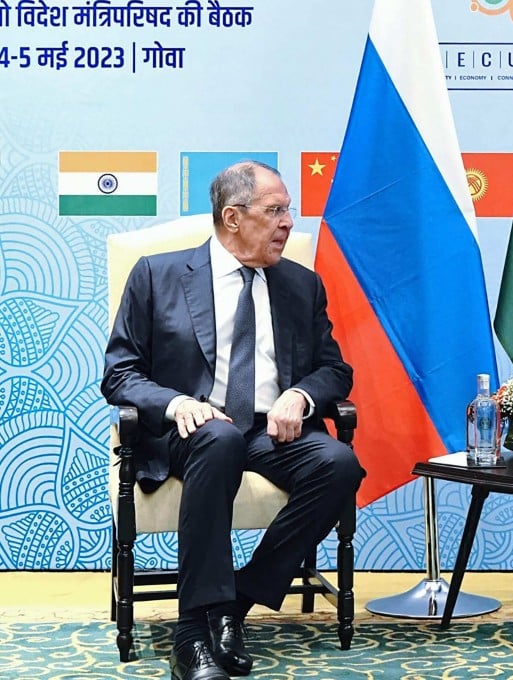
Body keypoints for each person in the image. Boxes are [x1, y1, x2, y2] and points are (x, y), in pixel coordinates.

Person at [102, 160, 364, 680]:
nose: (289, 222)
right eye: (275, 211)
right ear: (232, 217)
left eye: (288, 209)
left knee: (339, 464)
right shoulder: (158, 275)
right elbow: (120, 374)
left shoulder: (301, 285)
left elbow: (335, 369)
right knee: (218, 437)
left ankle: (234, 600)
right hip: (188, 432)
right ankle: (191, 635)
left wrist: (302, 395)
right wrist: (177, 403)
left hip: (271, 431)